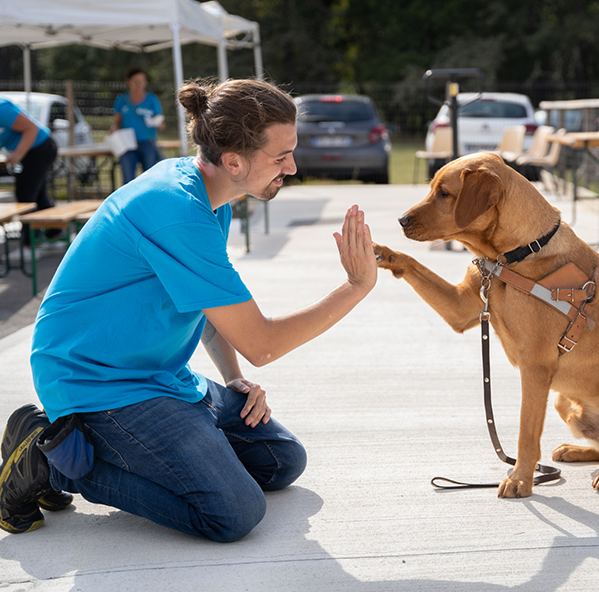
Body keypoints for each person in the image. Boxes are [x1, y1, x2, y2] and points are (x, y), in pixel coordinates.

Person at [0, 78, 378, 541]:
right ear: (234, 160)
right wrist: (356, 286)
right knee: (233, 512)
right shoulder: (176, 210)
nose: (293, 167)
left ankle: (144, 447)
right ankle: (49, 459)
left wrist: (232, 376)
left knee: (281, 460)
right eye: (281, 157)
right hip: (99, 384)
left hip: (156, 376)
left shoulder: (211, 194)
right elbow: (264, 345)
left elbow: (208, 307)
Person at [0, 97, 60, 241]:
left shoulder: (2, 108)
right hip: (32, 151)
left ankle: (29, 245)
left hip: (38, 149)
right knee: (38, 196)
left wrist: (18, 154)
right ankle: (54, 234)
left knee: (25, 197)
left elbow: (31, 128)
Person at [109, 67, 165, 184]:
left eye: (142, 81)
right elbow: (117, 122)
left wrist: (157, 123)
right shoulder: (121, 100)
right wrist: (113, 130)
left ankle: (149, 202)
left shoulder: (152, 99)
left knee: (150, 178)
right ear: (129, 82)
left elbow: (161, 123)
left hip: (147, 143)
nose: (139, 84)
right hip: (127, 144)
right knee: (128, 179)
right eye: (136, 81)